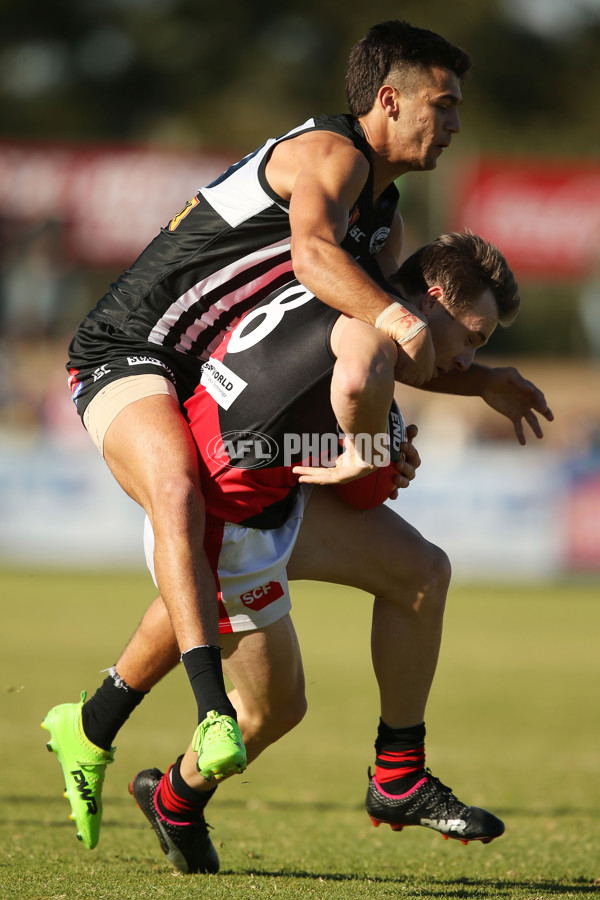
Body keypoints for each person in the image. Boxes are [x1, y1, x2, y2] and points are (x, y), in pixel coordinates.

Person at [43, 18, 473, 848]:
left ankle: (98, 728)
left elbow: (359, 344)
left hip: (222, 396)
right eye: (442, 105)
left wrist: (459, 388)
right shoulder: (330, 156)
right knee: (180, 493)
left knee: (310, 672)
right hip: (130, 350)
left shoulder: (382, 207)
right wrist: (386, 330)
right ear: (388, 100)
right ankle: (205, 711)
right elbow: (316, 259)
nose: (454, 124)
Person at [44, 233, 553, 872]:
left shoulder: (357, 279)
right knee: (275, 709)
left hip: (268, 487)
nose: (469, 353)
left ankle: (398, 772)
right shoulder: (373, 328)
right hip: (228, 524)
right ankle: (173, 795)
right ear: (433, 298)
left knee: (421, 572)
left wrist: (469, 385)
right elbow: (362, 366)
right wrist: (369, 454)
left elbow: (369, 367)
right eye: (473, 336)